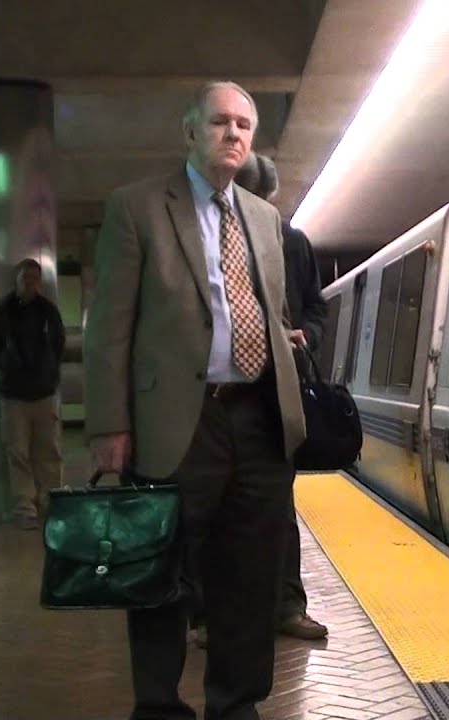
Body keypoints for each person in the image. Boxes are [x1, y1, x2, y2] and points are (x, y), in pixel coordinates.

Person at [84, 81, 306, 720]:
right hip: (178, 419)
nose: (233, 134)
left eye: (244, 124)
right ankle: (158, 705)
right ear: (190, 132)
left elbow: (270, 308)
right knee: (162, 572)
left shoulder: (265, 220)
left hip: (258, 418)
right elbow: (109, 327)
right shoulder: (138, 207)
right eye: (219, 122)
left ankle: (236, 704)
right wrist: (110, 423)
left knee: (250, 574)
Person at [187, 153, 328, 648]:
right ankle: (206, 614)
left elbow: (315, 308)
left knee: (277, 511)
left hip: (271, 397)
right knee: (206, 512)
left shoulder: (292, 242)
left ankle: (287, 605)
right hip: (210, 398)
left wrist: (302, 337)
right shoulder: (200, 238)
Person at [0, 258, 66, 530]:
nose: (30, 283)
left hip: (43, 393)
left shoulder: (48, 312)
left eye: (34, 278)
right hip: (14, 396)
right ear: (17, 280)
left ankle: (51, 503)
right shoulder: (2, 312)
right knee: (17, 453)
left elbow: (58, 345)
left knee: (49, 452)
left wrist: (50, 375)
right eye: (25, 278)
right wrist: (2, 378)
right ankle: (25, 508)